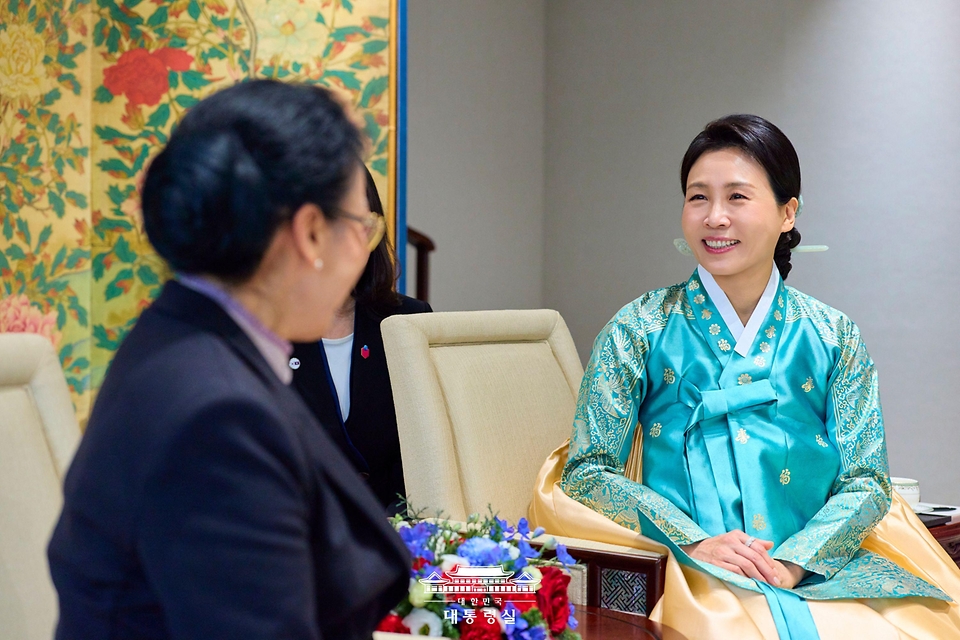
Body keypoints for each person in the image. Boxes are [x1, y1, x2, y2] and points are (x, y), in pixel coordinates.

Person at [530, 115, 960, 639]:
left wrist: (797, 561)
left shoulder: (833, 335)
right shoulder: (638, 327)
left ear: (787, 212)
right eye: (697, 197)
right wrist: (690, 540)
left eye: (737, 197)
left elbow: (865, 481)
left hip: (817, 573)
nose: (715, 217)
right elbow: (589, 470)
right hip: (687, 570)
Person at [47, 80, 409, 639]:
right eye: (363, 228)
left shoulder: (182, 337)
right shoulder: (217, 418)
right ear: (312, 233)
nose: (366, 250)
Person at [290, 167, 431, 516]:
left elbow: (431, 451)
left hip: (399, 540)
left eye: (354, 225)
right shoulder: (263, 329)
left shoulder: (408, 321)